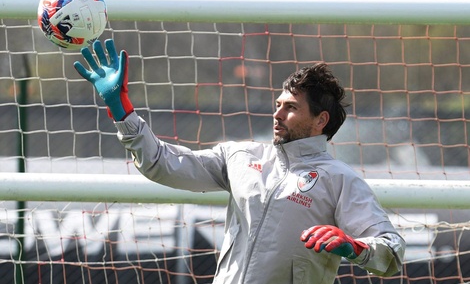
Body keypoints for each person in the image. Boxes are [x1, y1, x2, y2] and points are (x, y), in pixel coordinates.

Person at [74, 39, 405, 284]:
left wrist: (356, 246)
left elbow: (392, 252)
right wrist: (122, 111)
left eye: (290, 107)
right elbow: (161, 162)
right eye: (278, 103)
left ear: (321, 120)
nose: (277, 114)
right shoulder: (241, 157)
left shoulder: (340, 180)